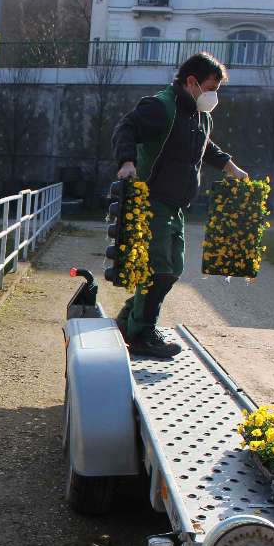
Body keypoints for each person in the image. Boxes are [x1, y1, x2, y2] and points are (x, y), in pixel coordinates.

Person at [111, 51, 249, 359]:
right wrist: (127, 162)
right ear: (192, 81)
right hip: (152, 200)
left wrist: (230, 166)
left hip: (175, 205)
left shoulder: (201, 117)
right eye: (212, 87)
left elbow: (205, 147)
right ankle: (143, 332)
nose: (214, 95)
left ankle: (128, 321)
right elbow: (126, 128)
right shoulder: (161, 107)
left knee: (172, 269)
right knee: (158, 268)